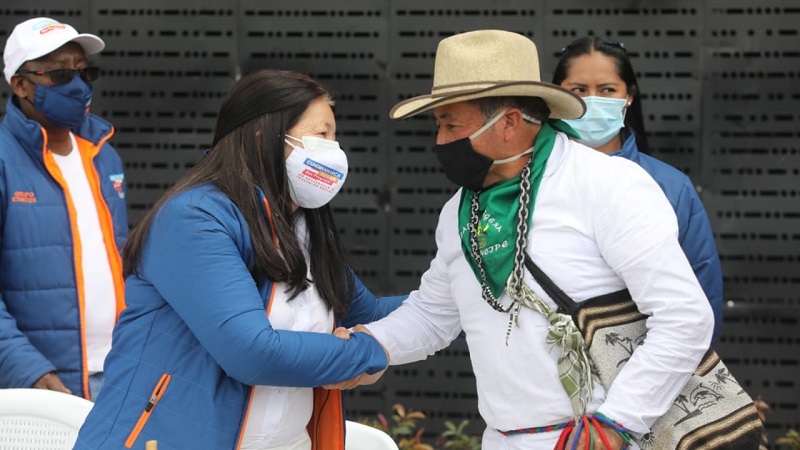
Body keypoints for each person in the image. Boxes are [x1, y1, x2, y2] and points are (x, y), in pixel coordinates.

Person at [337, 30, 713, 449]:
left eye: (451, 124)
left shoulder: (606, 185)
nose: (440, 141)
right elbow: (434, 314)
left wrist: (614, 424)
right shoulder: (458, 212)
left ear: (510, 122)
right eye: (439, 125)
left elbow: (685, 318)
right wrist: (370, 345)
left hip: (599, 439)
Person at [74, 69, 403, 450]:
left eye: (335, 135)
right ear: (263, 138)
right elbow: (251, 352)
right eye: (321, 135)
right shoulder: (195, 219)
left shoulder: (305, 227)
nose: (335, 150)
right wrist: (367, 353)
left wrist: (464, 299)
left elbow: (370, 314)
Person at [552, 36, 724, 343]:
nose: (591, 101)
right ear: (557, 96)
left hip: (642, 371)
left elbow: (701, 294)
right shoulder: (528, 182)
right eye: (578, 90)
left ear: (628, 97)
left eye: (607, 90)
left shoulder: (670, 187)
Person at [0, 17, 127, 400]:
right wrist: (31, 373)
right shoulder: (4, 161)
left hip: (119, 373)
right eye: (59, 74)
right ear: (20, 85)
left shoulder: (104, 156)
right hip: (44, 387)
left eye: (85, 72)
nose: (77, 85)